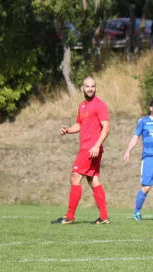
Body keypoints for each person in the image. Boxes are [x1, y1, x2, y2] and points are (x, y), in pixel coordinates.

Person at [51, 77, 111, 225]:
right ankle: (104, 217)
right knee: (93, 180)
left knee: (75, 177)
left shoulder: (100, 105)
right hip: (90, 148)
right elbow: (79, 124)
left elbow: (106, 127)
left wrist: (96, 146)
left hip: (90, 148)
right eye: (87, 86)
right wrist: (68, 130)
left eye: (92, 86)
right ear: (82, 89)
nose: (90, 88)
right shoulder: (82, 106)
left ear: (95, 88)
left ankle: (69, 216)